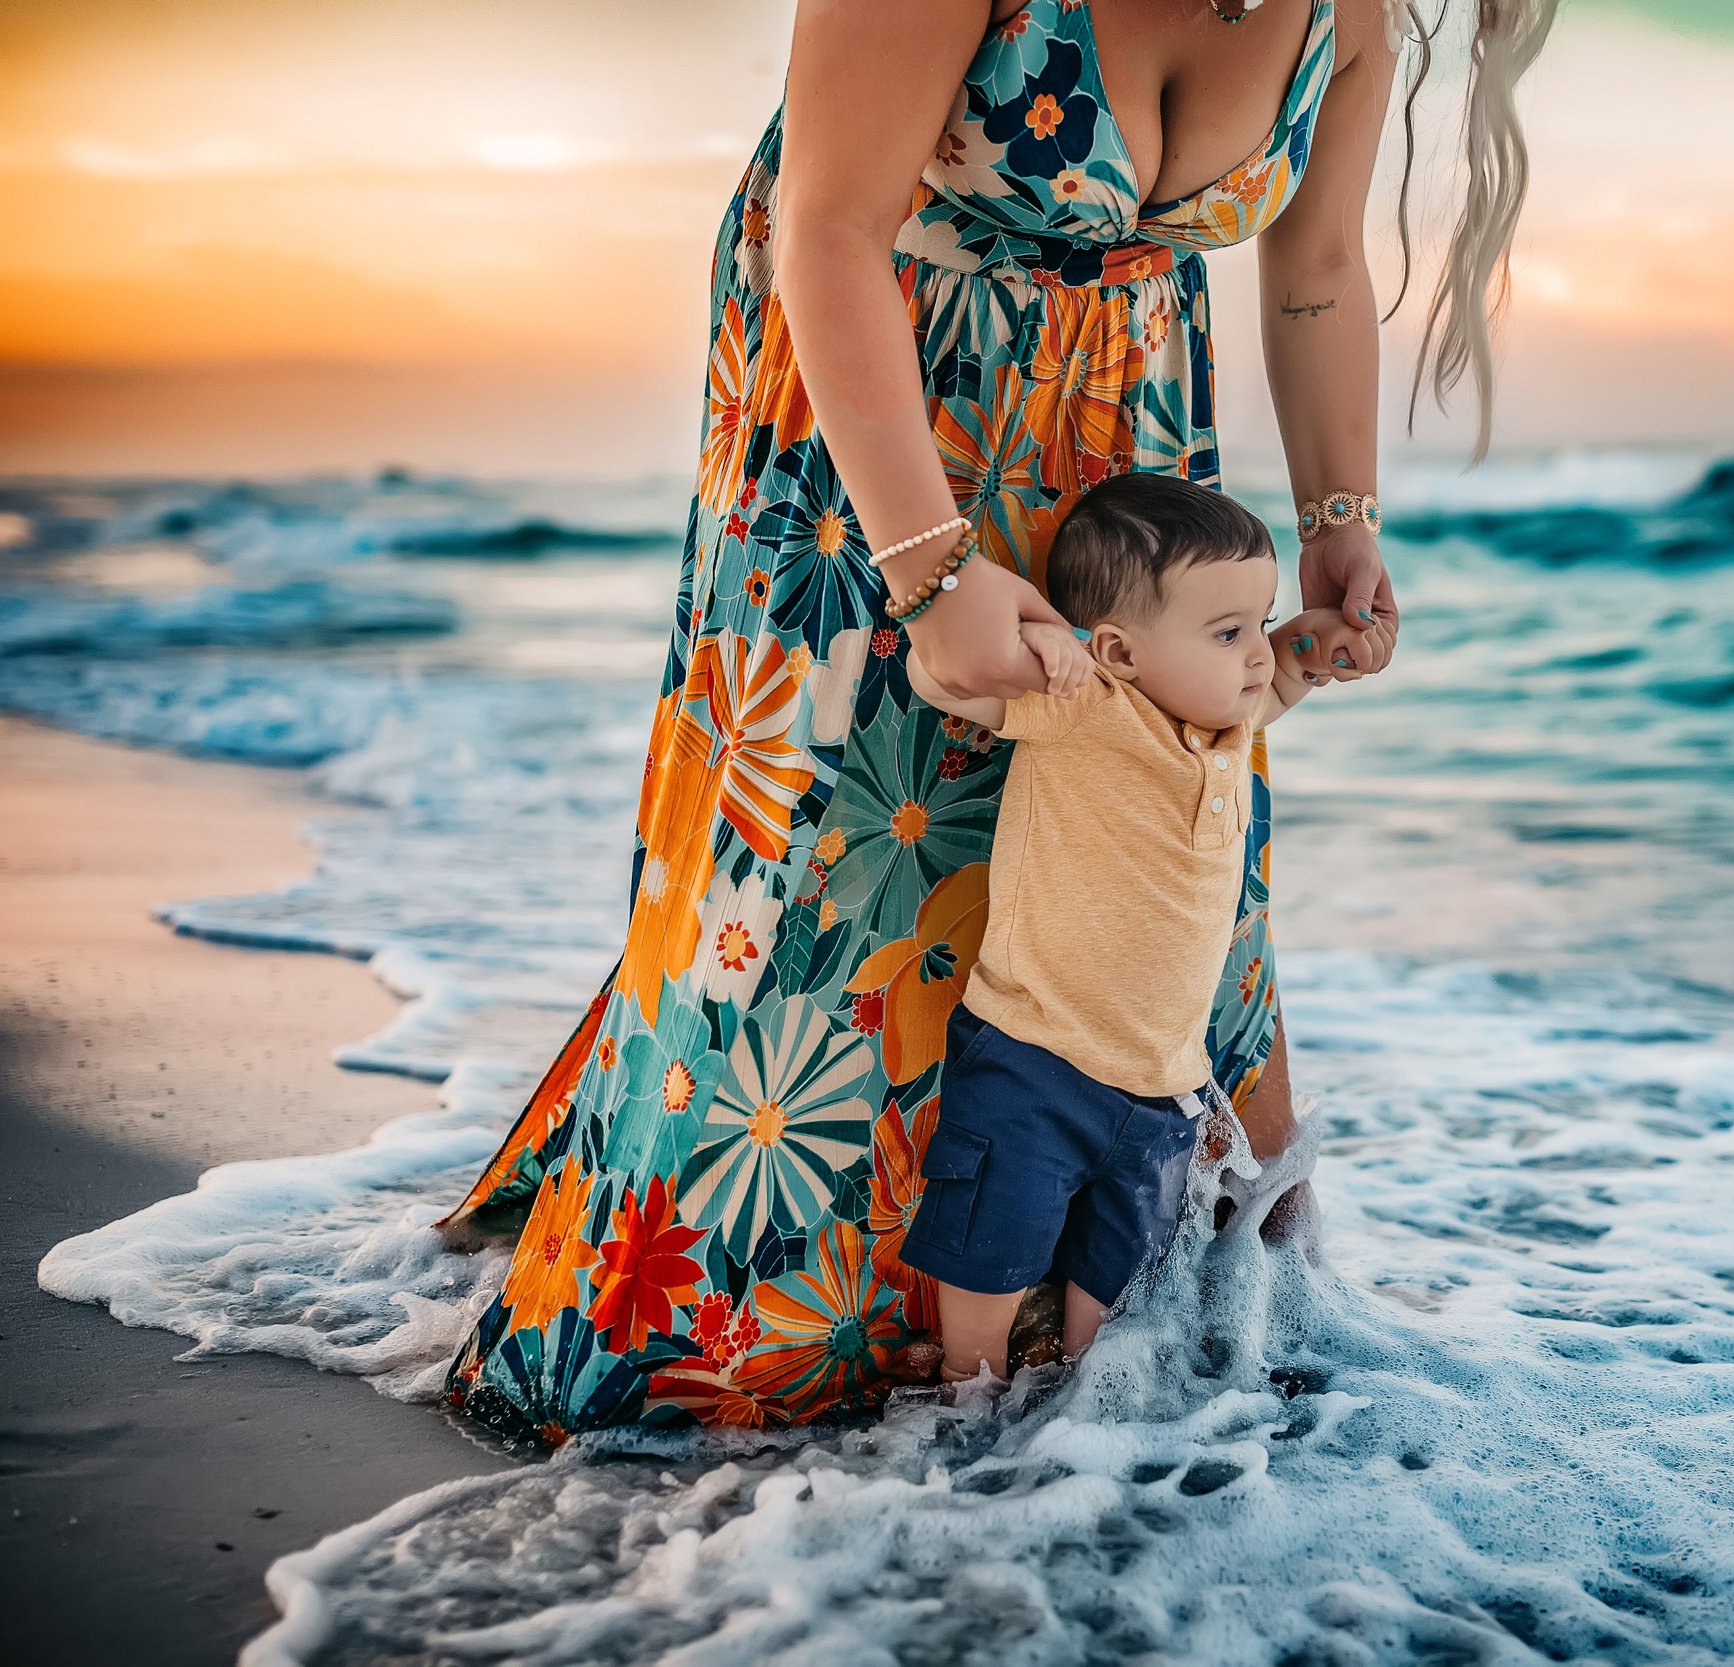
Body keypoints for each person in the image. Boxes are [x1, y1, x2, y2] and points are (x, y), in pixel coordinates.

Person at [437, 0, 1558, 1438]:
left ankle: (1128, 1333)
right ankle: (795, 1330)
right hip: (872, 412)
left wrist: (1343, 519)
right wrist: (928, 567)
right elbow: (824, 227)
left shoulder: (1346, 17)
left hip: (1128, 442)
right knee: (851, 858)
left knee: (1145, 837)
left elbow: (1319, 265)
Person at [897, 472, 1369, 1381]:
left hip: (1162, 1082)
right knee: (993, 1232)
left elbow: (1296, 666)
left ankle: (1084, 1398)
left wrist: (1327, 642)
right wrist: (1042, 643)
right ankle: (965, 1388)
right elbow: (935, 671)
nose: (1258, 654)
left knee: (1120, 1271)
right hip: (1039, 1052)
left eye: (1258, 620)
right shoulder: (1085, 706)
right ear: (1115, 648)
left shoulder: (1231, 725)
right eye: (1229, 633)